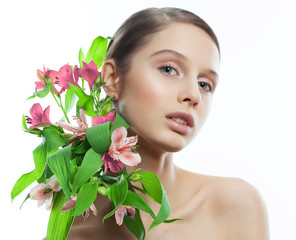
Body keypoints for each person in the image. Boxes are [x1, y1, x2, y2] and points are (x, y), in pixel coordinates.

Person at [67, 7, 269, 240]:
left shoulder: (233, 206)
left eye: (205, 84)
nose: (193, 95)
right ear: (112, 79)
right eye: (168, 69)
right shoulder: (71, 232)